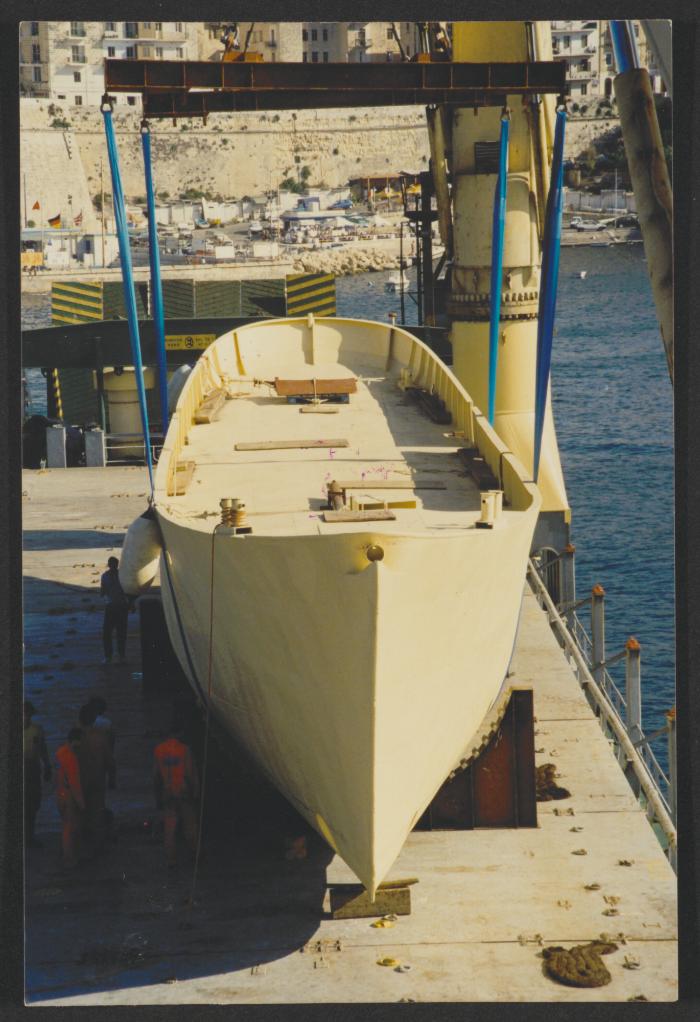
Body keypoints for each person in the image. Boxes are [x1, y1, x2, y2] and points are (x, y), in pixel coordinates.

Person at [153, 724, 199, 868]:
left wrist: (157, 797)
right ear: (180, 733)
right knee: (190, 826)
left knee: (170, 828)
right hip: (183, 791)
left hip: (167, 792)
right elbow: (191, 773)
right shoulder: (185, 749)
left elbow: (155, 775)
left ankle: (171, 860)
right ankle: (194, 854)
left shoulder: (159, 750)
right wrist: (196, 791)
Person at [78, 703, 116, 852]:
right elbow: (110, 761)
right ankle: (97, 847)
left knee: (81, 814)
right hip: (97, 781)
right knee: (97, 814)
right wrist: (112, 778)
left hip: (80, 782)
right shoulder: (99, 737)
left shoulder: (76, 737)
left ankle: (81, 844)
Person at [55, 728, 85, 868]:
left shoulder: (60, 752)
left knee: (66, 826)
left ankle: (66, 856)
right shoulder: (71, 758)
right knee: (70, 827)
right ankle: (69, 859)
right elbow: (75, 784)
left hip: (60, 793)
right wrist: (81, 803)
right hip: (68, 796)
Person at [24, 701, 51, 847]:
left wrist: (47, 766)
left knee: (33, 804)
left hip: (33, 770)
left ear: (30, 714)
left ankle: (29, 837)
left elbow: (43, 750)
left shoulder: (37, 730)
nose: (24, 716)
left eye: (26, 713)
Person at [100, 556, 130, 664]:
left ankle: (108, 656)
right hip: (121, 607)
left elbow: (102, 592)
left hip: (111, 606)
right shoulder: (123, 576)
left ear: (109, 564)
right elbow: (128, 591)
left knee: (107, 633)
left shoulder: (104, 576)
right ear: (117, 565)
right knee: (121, 632)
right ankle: (121, 656)